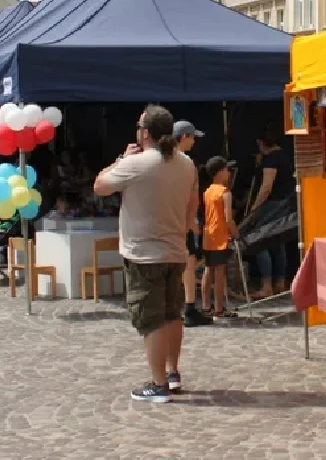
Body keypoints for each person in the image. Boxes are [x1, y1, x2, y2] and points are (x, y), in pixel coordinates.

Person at [94, 105, 198, 403]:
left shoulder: (137, 163)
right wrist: (184, 230)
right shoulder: (186, 163)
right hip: (175, 249)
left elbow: (99, 186)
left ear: (145, 133)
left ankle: (158, 384)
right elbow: (193, 200)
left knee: (151, 319)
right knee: (171, 313)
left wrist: (120, 159)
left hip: (143, 254)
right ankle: (172, 372)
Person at [247, 130, 295, 298]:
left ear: (261, 143)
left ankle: (266, 285)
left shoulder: (271, 159)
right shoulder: (284, 155)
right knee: (278, 242)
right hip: (284, 204)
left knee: (261, 242)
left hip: (271, 205)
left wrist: (255, 207)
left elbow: (266, 186)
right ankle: (280, 283)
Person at [173, 121, 211, 327]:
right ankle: (188, 307)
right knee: (188, 262)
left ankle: (184, 306)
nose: (194, 141)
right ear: (184, 137)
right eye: (192, 137)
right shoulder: (185, 163)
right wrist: (192, 220)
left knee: (184, 261)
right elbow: (191, 196)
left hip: (169, 219)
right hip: (181, 219)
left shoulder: (164, 160)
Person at [200, 157, 238, 318]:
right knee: (220, 272)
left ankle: (206, 305)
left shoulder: (207, 191)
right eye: (226, 169)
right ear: (219, 172)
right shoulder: (225, 192)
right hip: (221, 236)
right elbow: (228, 218)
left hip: (208, 235)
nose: (229, 173)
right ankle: (219, 308)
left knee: (208, 270)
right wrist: (236, 233)